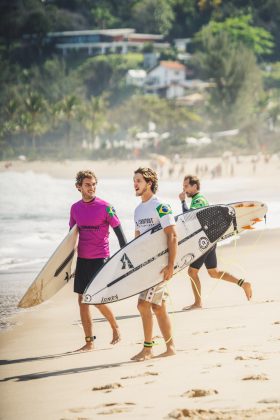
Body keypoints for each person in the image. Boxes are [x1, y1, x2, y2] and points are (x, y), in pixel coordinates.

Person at [69, 170, 127, 351]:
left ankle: (115, 326)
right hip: (83, 258)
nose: (91, 187)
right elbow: (70, 237)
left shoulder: (105, 207)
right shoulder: (75, 208)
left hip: (100, 257)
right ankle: (89, 342)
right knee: (82, 300)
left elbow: (119, 231)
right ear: (79, 187)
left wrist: (125, 255)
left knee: (94, 298)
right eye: (87, 184)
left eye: (94, 184)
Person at [179, 174, 252, 310]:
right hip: (210, 240)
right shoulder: (198, 200)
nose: (184, 190)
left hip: (205, 242)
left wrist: (183, 202)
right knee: (214, 272)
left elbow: (189, 218)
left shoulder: (198, 200)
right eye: (183, 187)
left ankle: (197, 303)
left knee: (192, 272)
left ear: (195, 186)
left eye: (186, 186)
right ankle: (243, 284)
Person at [131, 167, 177, 361]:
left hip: (159, 265)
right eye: (134, 180)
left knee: (143, 305)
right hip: (147, 267)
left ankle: (148, 349)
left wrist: (170, 265)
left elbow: (172, 235)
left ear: (149, 183)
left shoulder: (161, 206)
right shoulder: (138, 210)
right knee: (158, 307)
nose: (135, 184)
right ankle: (170, 347)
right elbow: (137, 240)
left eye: (139, 180)